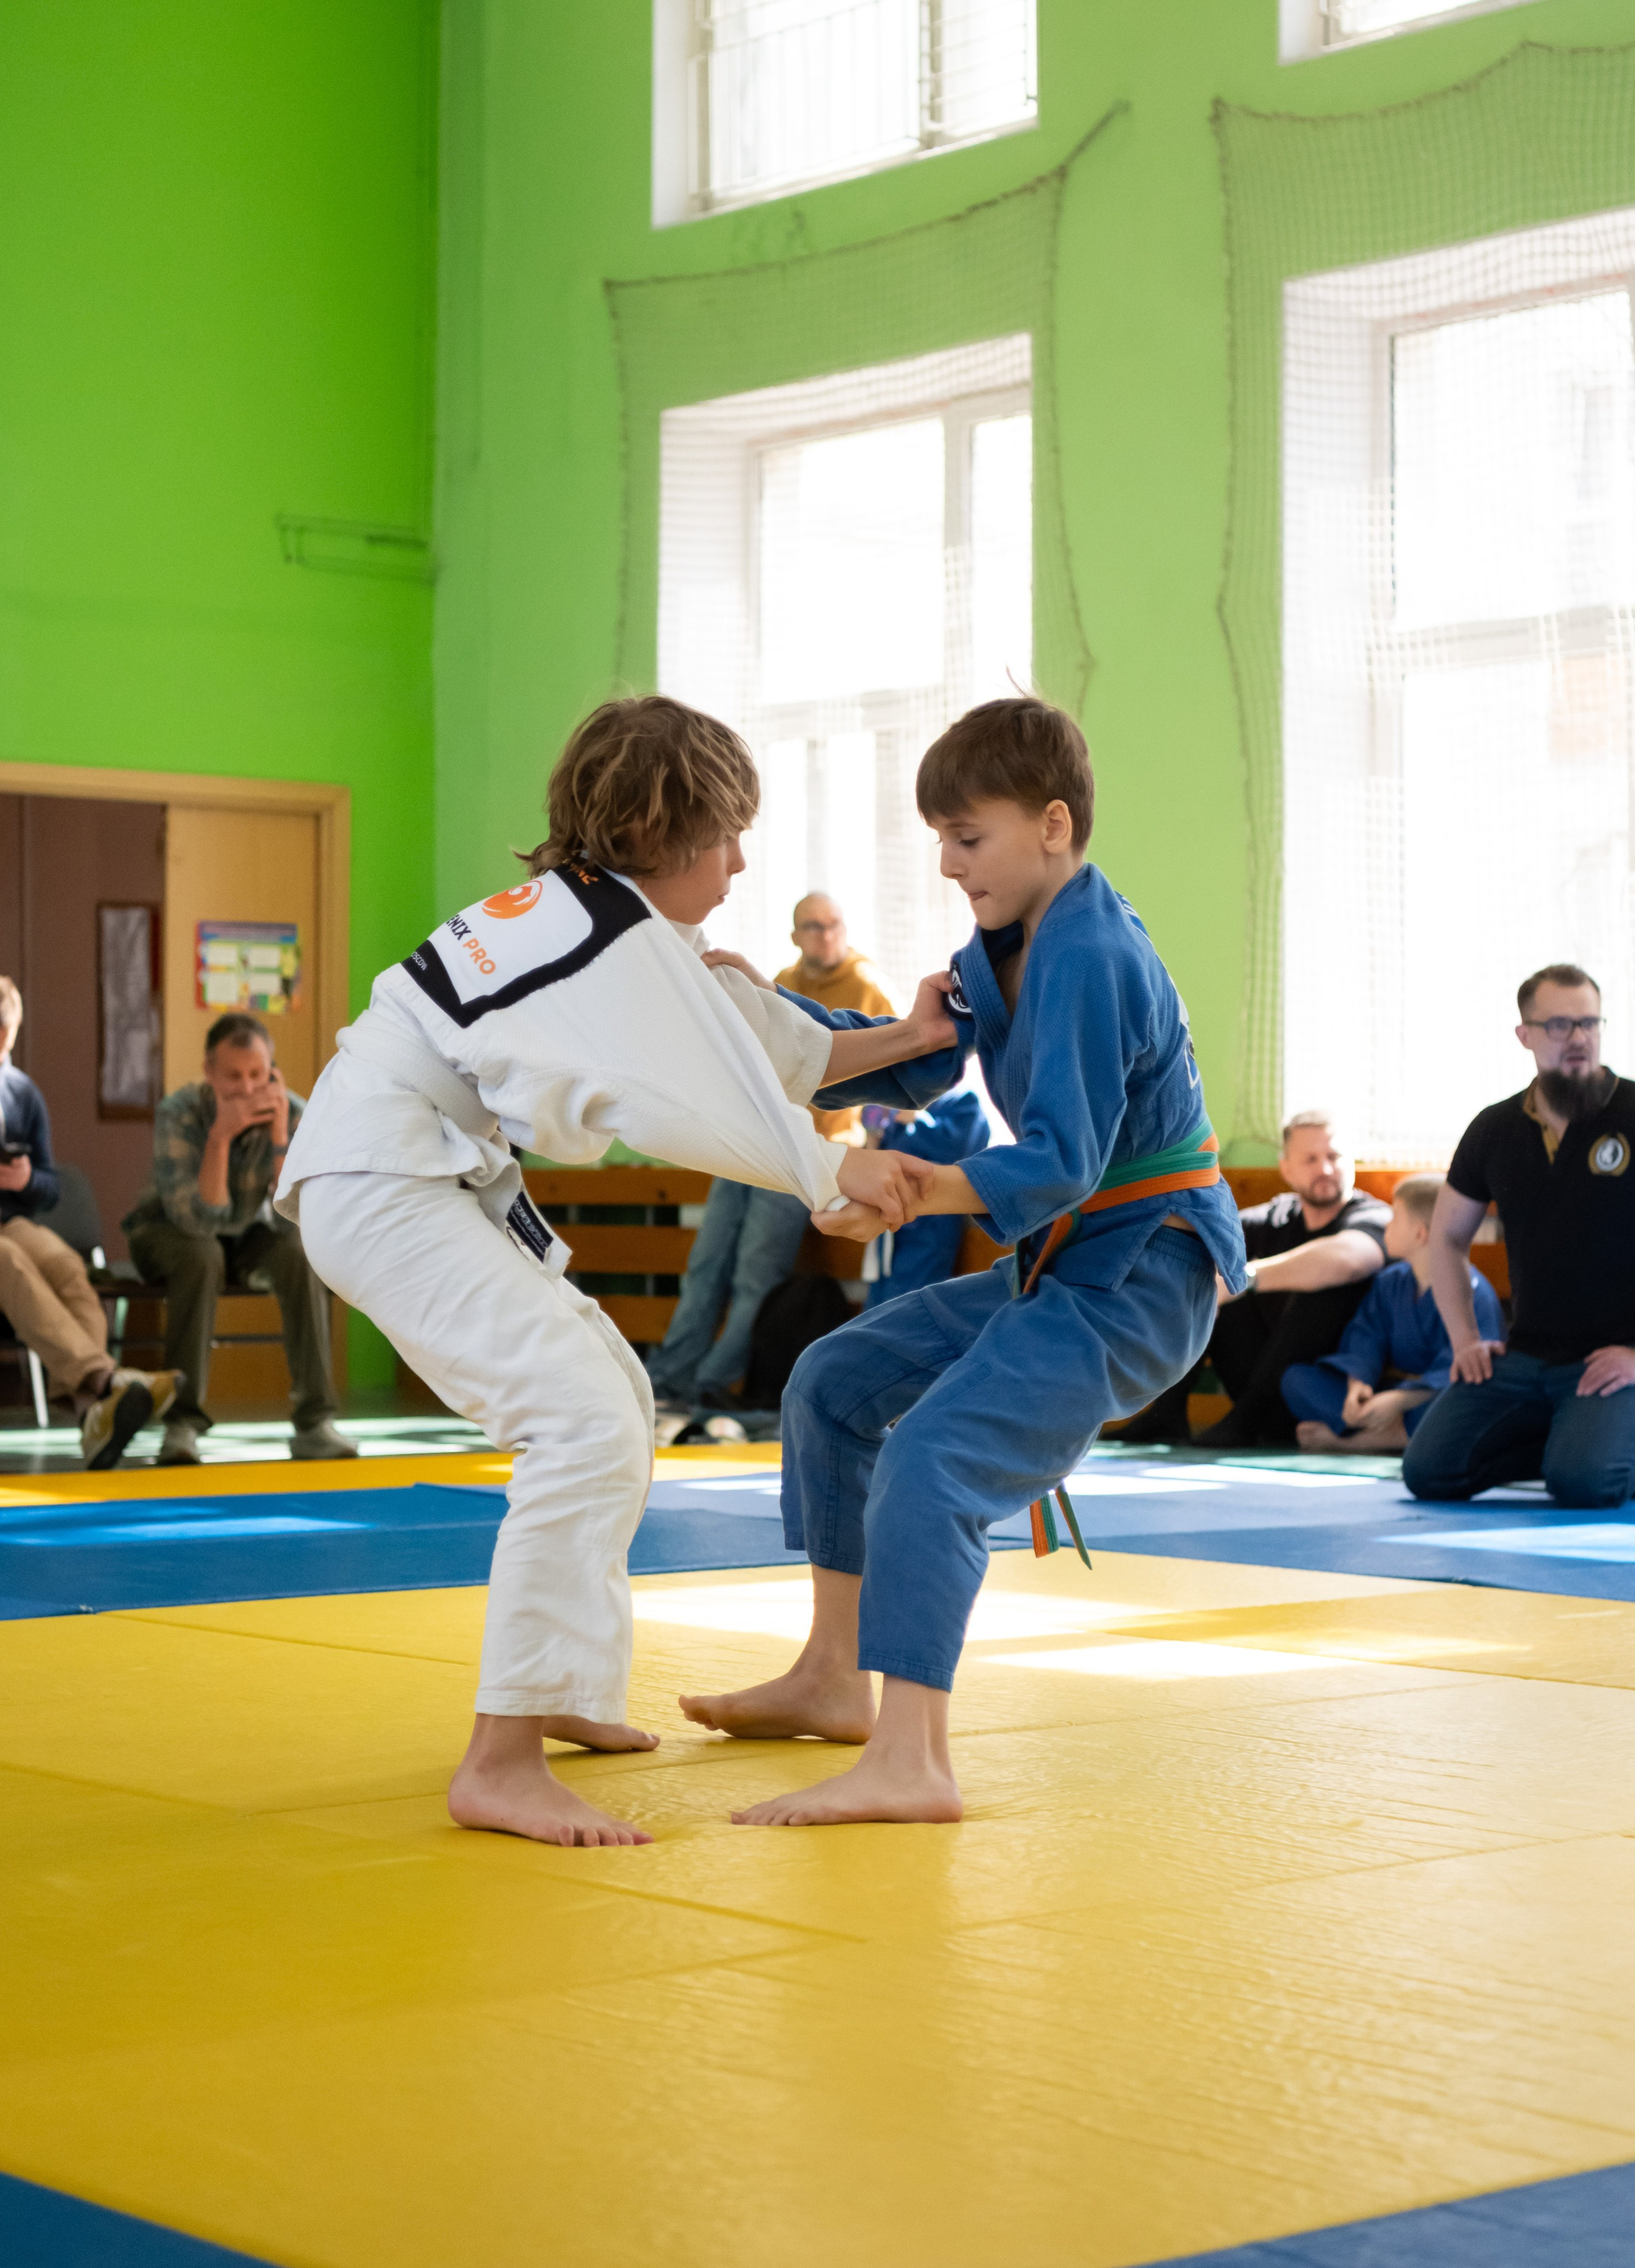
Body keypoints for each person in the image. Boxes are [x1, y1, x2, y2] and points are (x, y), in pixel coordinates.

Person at [277, 695, 954, 1848]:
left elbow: (763, 1041)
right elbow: (708, 1089)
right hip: (384, 1181)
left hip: (392, 1173)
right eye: (727, 834)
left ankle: (558, 1690)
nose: (741, 861)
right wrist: (829, 1182)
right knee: (583, 1418)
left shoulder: (592, 917)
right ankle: (500, 1759)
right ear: (666, 825)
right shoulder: (609, 938)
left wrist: (915, 1033)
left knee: (615, 1398)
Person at [680, 695, 1248, 1827]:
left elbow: (1062, 1166)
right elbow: (919, 1070)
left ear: (1051, 823)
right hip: (1069, 1263)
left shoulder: (1088, 949)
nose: (946, 862)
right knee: (832, 1384)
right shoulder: (1008, 941)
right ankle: (835, 1677)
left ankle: (914, 1758)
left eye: (967, 837)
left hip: (1140, 1274)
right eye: (937, 837)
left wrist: (906, 1191)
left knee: (933, 1459)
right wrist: (760, 1012)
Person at [644, 892, 895, 1415]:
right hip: (749, 1138)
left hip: (807, 1153)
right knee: (705, 1262)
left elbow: (887, 1079)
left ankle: (714, 1384)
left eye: (833, 924)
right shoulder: (779, 981)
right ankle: (669, 1379)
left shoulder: (868, 988)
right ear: (795, 935)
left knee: (755, 1272)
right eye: (812, 926)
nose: (825, 935)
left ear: (844, 929)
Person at [1405, 963, 1635, 1510]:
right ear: (1525, 1035)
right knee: (1428, 1472)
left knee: (1586, 1484)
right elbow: (1446, 1238)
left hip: (1614, 1360)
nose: (1578, 1038)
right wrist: (1465, 1341)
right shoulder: (1495, 1128)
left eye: (1589, 1023)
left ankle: (1587, 1446)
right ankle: (1571, 1440)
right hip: (1526, 1357)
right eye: (1559, 1025)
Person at [124, 1014, 354, 1466]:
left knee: (298, 1254)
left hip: (245, 1235)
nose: (248, 1089)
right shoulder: (180, 1111)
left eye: (258, 1074)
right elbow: (199, 1221)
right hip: (169, 1235)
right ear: (210, 1073)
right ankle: (182, 1424)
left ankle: (314, 1422)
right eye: (233, 1076)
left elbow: (296, 1219)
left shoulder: (294, 1111)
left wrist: (279, 1139)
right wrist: (221, 1136)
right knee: (202, 1255)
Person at [1121, 1112, 1391, 1446]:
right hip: (1254, 1379)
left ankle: (1246, 1421)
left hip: (1323, 1393)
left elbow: (1352, 1259)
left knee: (1322, 1280)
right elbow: (1210, 1240)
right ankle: (1168, 1413)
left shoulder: (1373, 1216)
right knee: (1207, 1279)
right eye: (1310, 1159)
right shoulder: (1275, 1218)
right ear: (1286, 1169)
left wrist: (1249, 1277)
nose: (1324, 1169)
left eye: (1334, 1157)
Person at [0, 976, 179, 1467]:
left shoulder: (22, 1094)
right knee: (10, 1262)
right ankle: (108, 1381)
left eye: (5, 1034)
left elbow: (50, 1187)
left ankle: (91, 1411)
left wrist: (24, 1180)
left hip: (12, 1217)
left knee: (68, 1270)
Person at [1281, 1172, 1503, 1453]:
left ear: (1420, 1233)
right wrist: (1358, 1385)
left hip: (1433, 1398)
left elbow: (1467, 1369)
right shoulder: (1391, 1282)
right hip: (1386, 1393)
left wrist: (1400, 1400)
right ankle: (1394, 1432)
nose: (1387, 1224)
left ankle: (1352, 1442)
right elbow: (1366, 1335)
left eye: (1395, 1216)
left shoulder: (1474, 1293)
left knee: (1466, 1404)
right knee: (1298, 1380)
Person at [861, 1087, 991, 1308]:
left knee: (908, 1304)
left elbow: (961, 1149)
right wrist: (872, 1137)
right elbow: (875, 1162)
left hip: (930, 1223)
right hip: (890, 1225)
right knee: (876, 1304)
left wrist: (917, 1119)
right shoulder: (892, 1108)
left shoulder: (963, 1103)